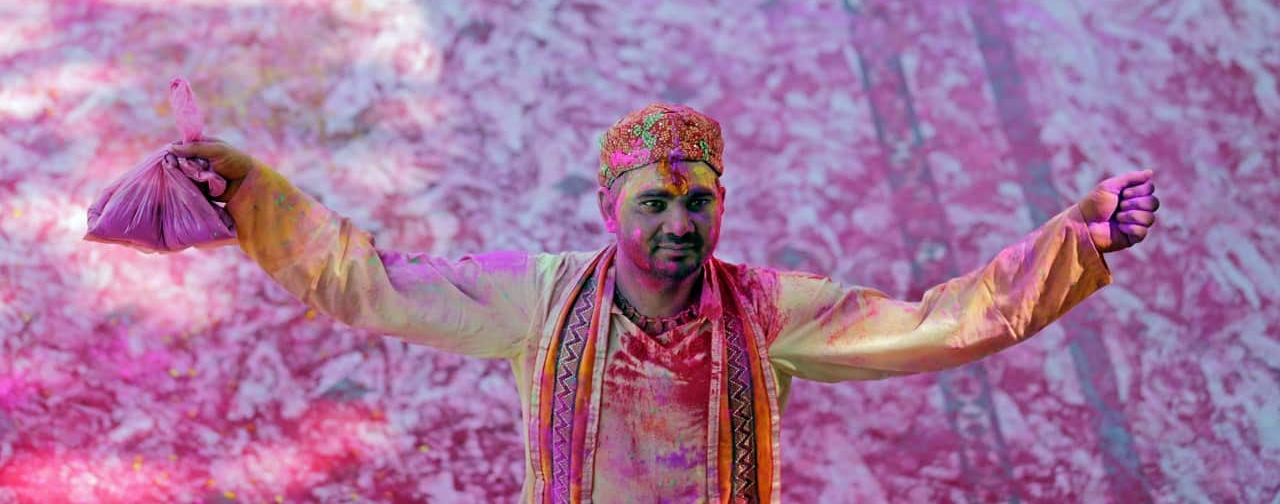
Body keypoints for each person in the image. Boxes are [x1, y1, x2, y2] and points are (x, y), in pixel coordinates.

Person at [168, 103, 1159, 504]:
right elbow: (366, 281)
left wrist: (1069, 238)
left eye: (697, 201)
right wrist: (251, 192)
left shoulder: (768, 309)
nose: (678, 224)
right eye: (653, 203)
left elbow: (941, 321)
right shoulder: (539, 299)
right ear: (608, 209)